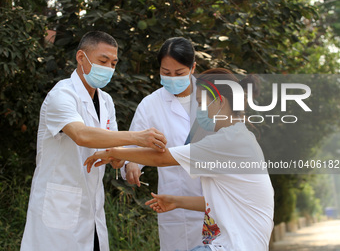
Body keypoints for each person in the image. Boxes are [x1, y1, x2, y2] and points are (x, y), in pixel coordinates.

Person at [85, 68, 275, 251]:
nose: (198, 110)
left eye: (201, 103)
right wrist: (176, 201)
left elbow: (162, 158)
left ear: (219, 102)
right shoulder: (238, 137)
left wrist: (114, 152)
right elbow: (222, 201)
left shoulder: (227, 141)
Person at [20, 31, 167, 251]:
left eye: (113, 63)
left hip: (91, 208)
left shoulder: (106, 101)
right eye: (103, 61)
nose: (108, 68)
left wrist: (123, 160)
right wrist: (137, 137)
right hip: (59, 207)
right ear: (81, 57)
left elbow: (112, 146)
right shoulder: (61, 95)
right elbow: (82, 135)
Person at [120, 37, 205, 251]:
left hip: (214, 202)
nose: (172, 78)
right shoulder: (151, 104)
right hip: (175, 210)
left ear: (193, 67)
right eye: (166, 73)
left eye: (179, 73)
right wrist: (131, 165)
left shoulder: (214, 99)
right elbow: (132, 147)